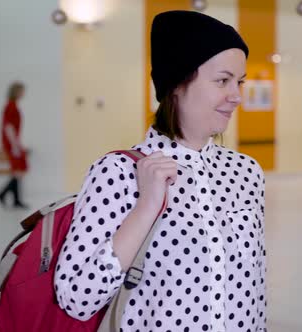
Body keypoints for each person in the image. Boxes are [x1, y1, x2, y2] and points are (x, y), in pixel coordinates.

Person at [54, 11, 266, 332]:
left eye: (240, 82)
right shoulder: (119, 172)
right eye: (223, 80)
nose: (236, 95)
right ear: (178, 83)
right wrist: (146, 208)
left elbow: (255, 293)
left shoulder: (246, 171)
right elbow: (76, 298)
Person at [0, 81, 29, 208]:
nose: (23, 93)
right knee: (18, 170)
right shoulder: (11, 106)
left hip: (13, 141)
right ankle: (6, 195)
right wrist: (15, 145)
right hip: (11, 142)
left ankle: (9, 197)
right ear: (16, 92)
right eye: (21, 91)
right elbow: (8, 127)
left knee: (18, 170)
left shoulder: (13, 105)